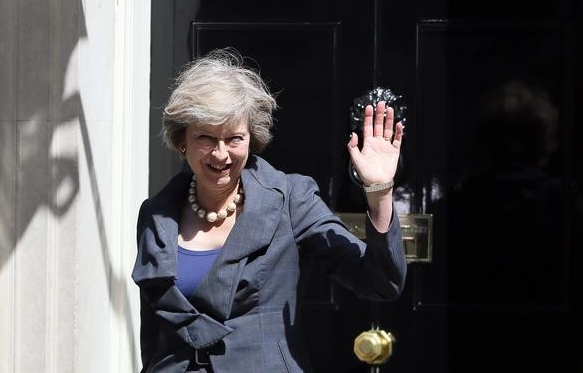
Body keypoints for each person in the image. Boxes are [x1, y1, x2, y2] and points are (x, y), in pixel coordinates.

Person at [132, 48, 407, 372]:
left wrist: (379, 192)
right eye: (206, 137)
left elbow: (380, 281)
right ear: (183, 141)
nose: (221, 154)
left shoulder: (291, 200)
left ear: (252, 139)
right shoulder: (157, 215)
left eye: (234, 138)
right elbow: (153, 335)